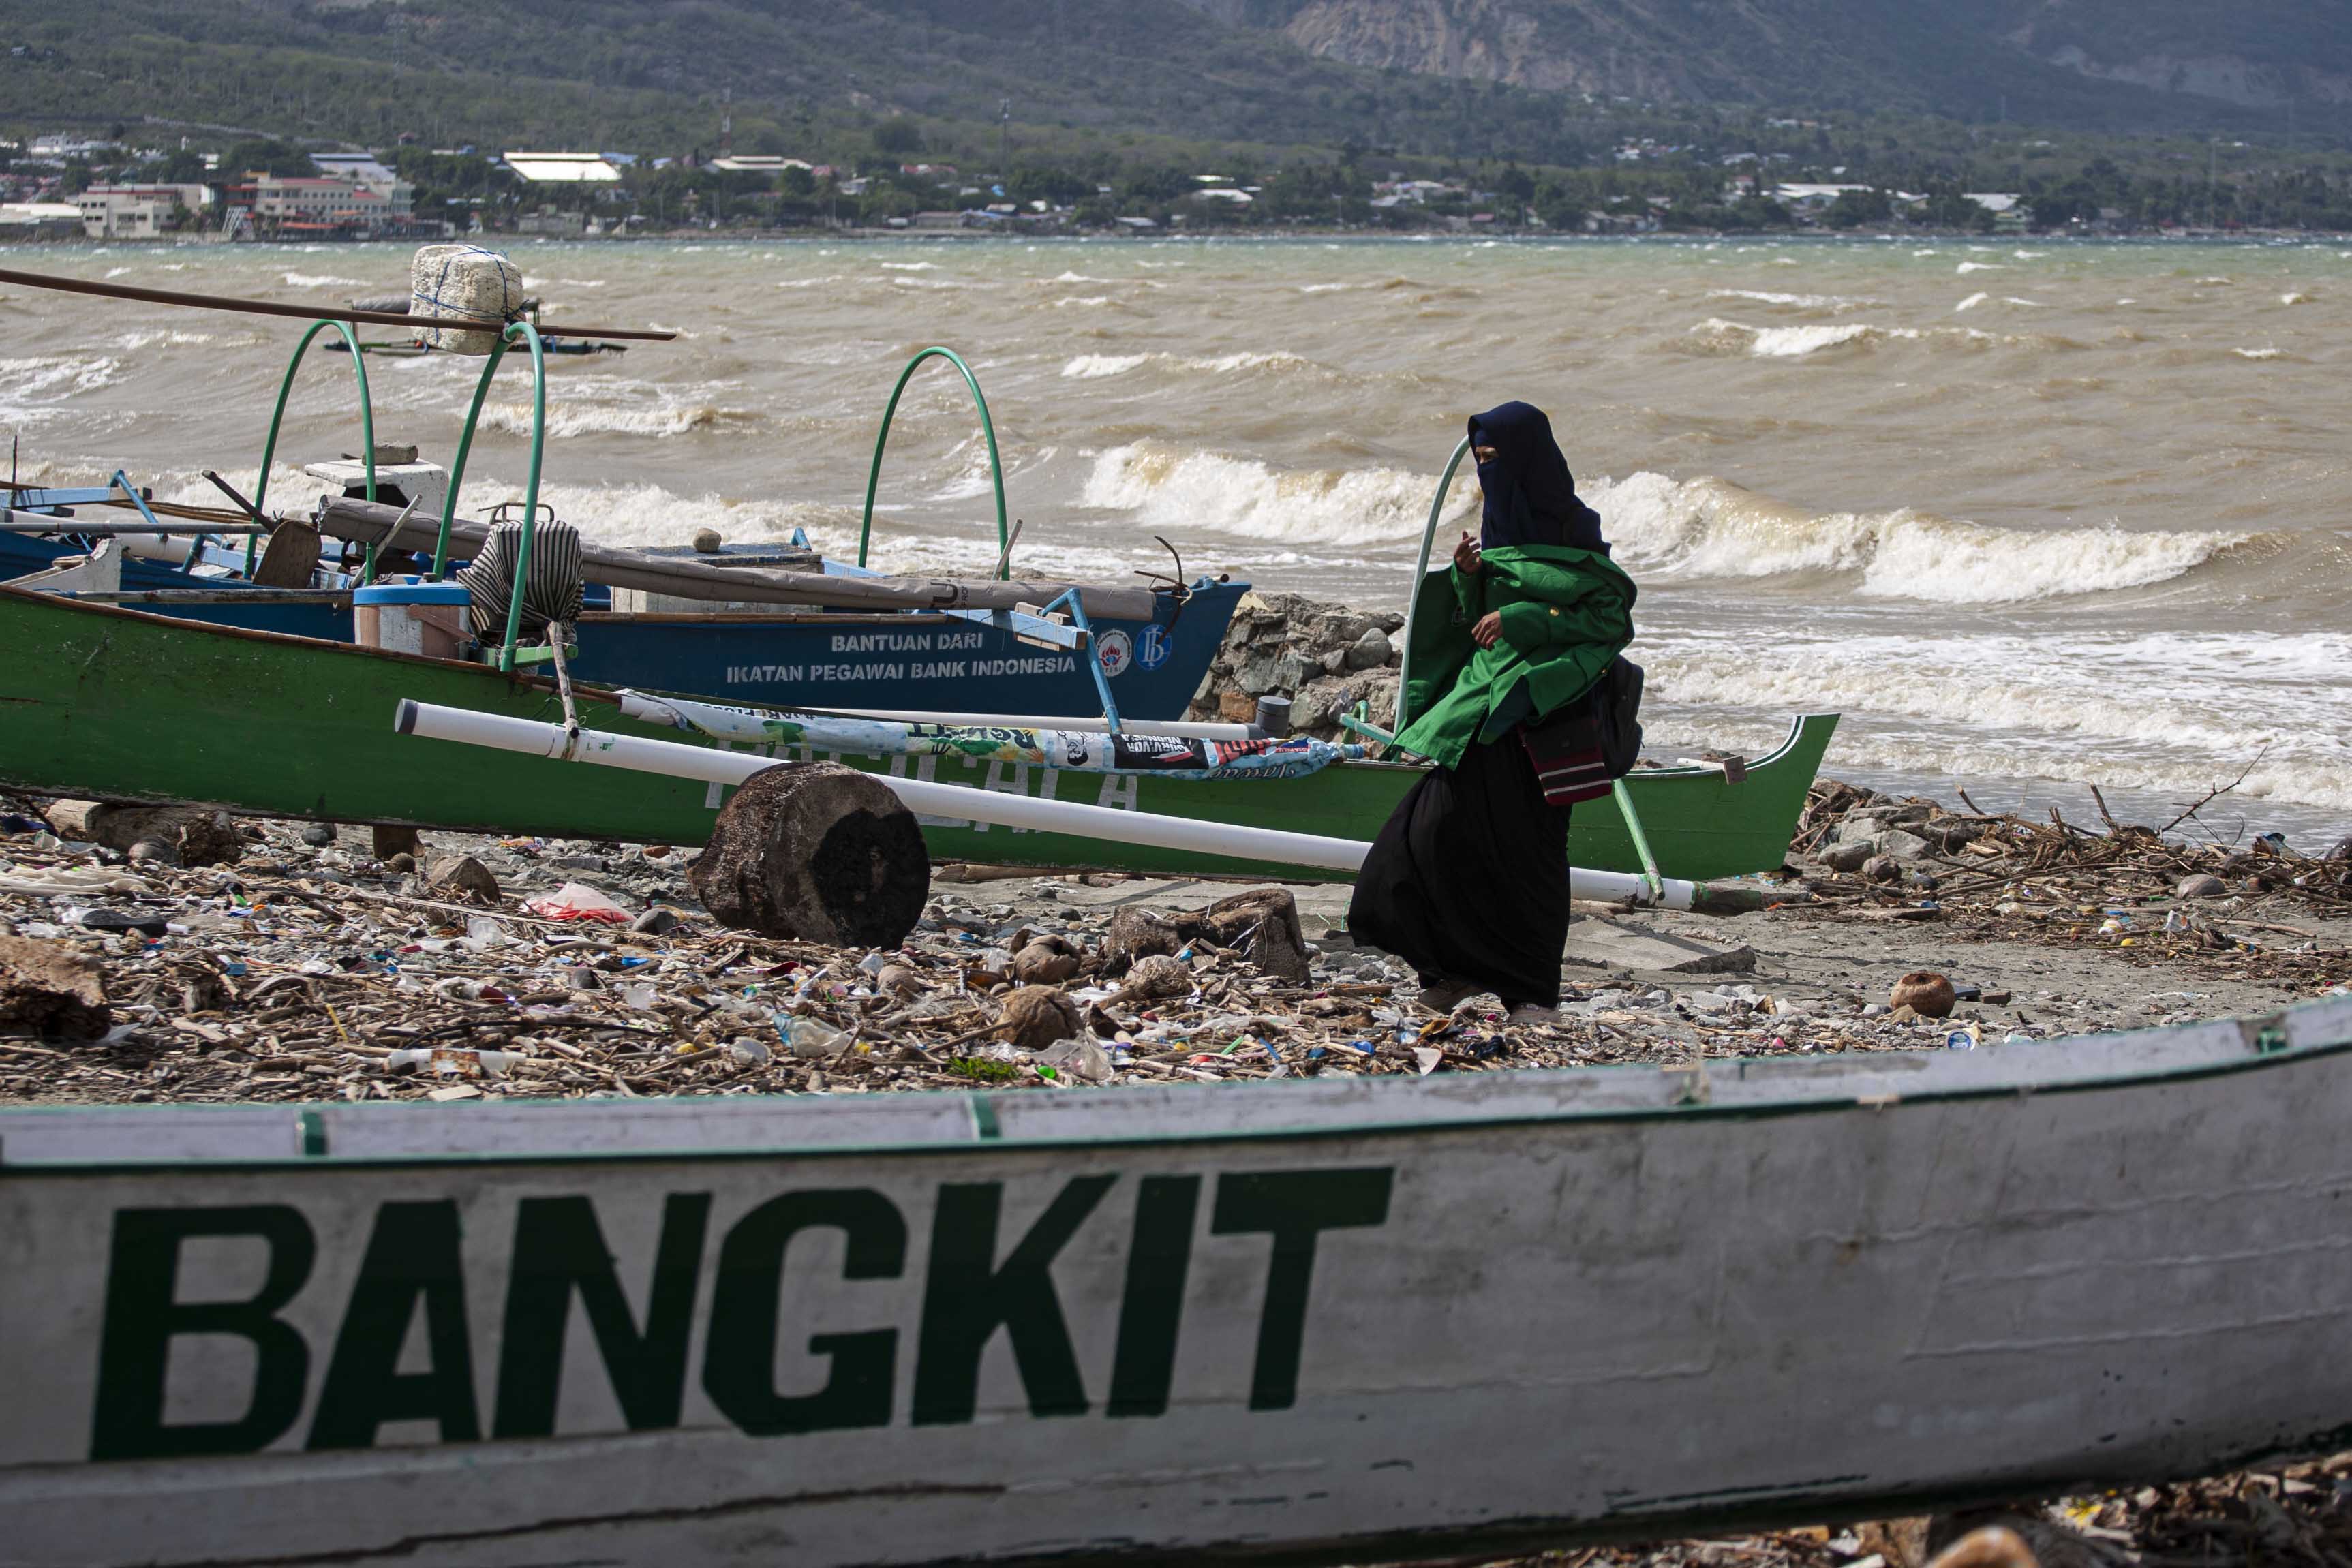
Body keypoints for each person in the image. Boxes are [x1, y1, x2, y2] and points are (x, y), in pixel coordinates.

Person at [1347, 401, 1637, 1026]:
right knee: (1427, 838)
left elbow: (1611, 618)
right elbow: (1481, 621)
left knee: (1527, 858)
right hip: (1480, 709)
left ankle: (1531, 993)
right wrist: (1470, 577)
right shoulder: (1501, 531)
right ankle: (1449, 971)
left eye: (1496, 460)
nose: (1487, 472)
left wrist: (1523, 617)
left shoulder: (1570, 531)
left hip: (1541, 721)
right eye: (1480, 460)